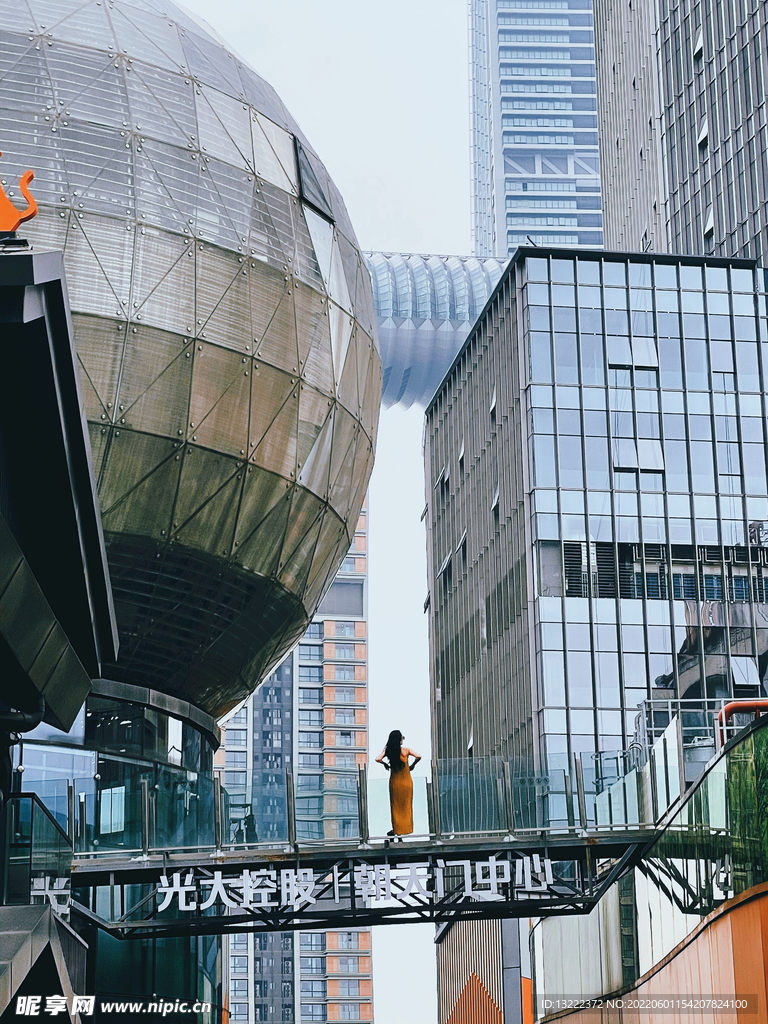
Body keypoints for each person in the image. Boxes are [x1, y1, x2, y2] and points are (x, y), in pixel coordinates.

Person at [375, 730, 421, 838]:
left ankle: (397, 831)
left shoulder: (389, 751)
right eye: (402, 738)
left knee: (395, 807)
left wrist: (385, 765)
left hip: (395, 783)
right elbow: (419, 756)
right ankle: (404, 830)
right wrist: (413, 765)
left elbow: (377, 758)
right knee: (406, 807)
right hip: (406, 782)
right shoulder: (406, 751)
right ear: (399, 739)